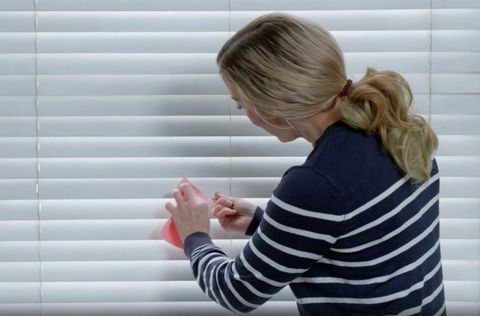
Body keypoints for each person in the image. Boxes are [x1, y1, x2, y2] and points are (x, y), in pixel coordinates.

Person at [164, 12, 445, 316]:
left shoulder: (317, 184)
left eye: (241, 104)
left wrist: (195, 235)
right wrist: (265, 223)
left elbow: (236, 292)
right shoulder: (396, 130)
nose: (245, 114)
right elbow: (368, 243)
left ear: (271, 105)